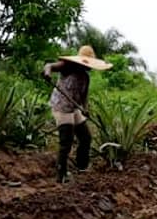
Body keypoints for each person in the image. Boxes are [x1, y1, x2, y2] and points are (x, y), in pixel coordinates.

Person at [43, 45, 112, 183]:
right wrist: (47, 73)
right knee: (66, 142)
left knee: (86, 138)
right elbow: (49, 66)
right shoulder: (67, 66)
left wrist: (85, 109)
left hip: (74, 108)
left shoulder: (85, 77)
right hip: (61, 106)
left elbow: (84, 96)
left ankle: (82, 167)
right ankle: (61, 174)